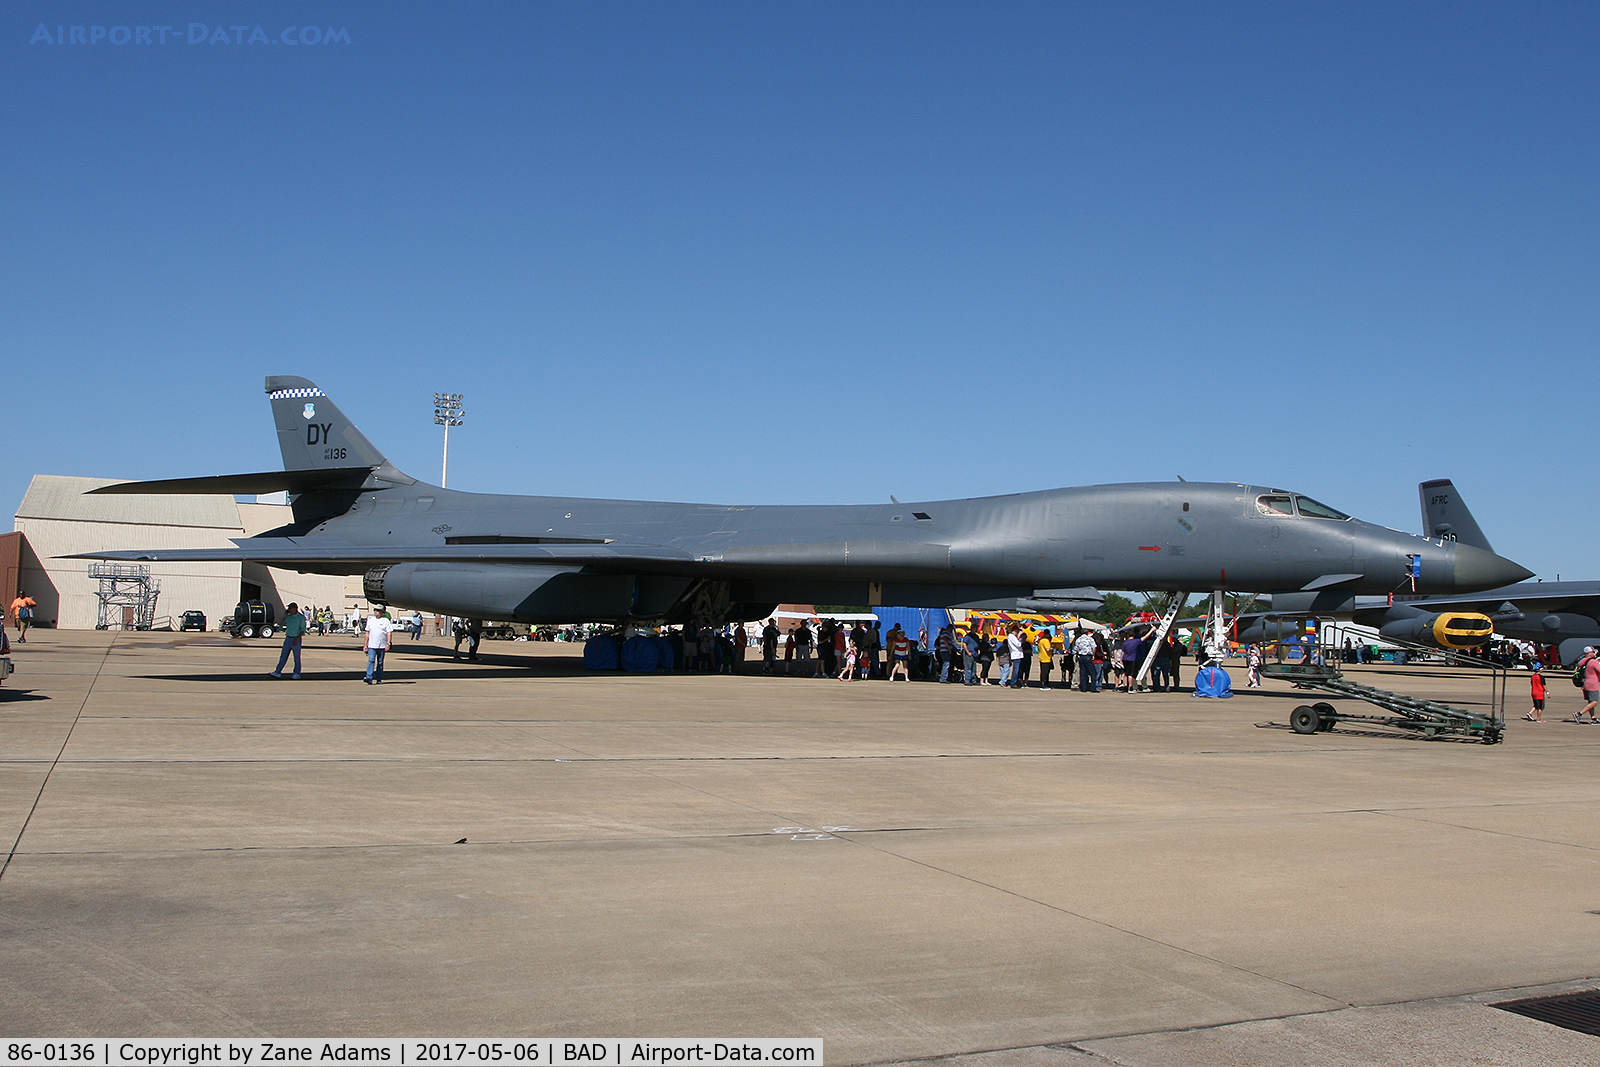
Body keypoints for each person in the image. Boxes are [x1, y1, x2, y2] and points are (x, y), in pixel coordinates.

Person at [270, 601, 307, 679]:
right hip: (288, 638)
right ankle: (278, 671)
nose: (289, 610)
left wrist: (297, 639)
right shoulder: (288, 617)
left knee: (296, 657)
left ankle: (297, 673)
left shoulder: (300, 617)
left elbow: (302, 629)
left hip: (296, 638)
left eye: (290, 608)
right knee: (283, 656)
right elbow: (281, 624)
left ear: (294, 608)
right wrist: (284, 615)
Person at [363, 608, 393, 684]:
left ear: (381, 612)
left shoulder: (385, 621)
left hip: (382, 645)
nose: (376, 612)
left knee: (380, 662)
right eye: (375, 610)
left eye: (378, 611)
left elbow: (389, 632)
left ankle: (379, 678)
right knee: (371, 660)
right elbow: (367, 633)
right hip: (372, 645)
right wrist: (365, 644)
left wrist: (388, 643)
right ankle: (369, 677)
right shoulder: (371, 620)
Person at [1575, 648, 1600, 722]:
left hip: (1585, 683)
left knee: (1590, 701)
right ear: (1589, 653)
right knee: (1595, 701)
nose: (1595, 653)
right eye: (1593, 652)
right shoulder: (1593, 662)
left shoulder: (1582, 661)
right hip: (1592, 683)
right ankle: (1579, 714)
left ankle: (1593, 718)